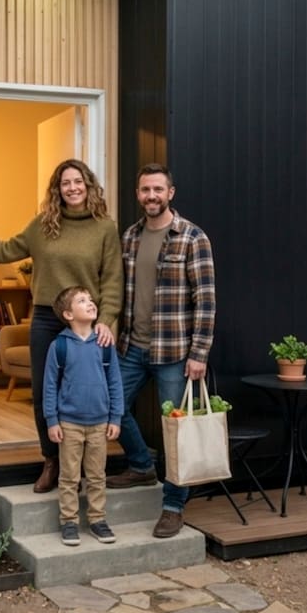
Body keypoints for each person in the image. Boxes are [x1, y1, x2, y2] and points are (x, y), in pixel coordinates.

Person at [0, 158, 123, 493]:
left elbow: (112, 280)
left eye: (78, 182)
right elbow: (5, 251)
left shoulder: (105, 228)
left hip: (85, 323)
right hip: (47, 318)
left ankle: (83, 466)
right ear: (57, 189)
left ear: (88, 186)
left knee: (81, 390)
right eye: (65, 183)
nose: (72, 188)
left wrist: (105, 320)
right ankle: (52, 462)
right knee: (44, 390)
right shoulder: (43, 225)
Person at [108, 163, 215, 538]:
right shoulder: (130, 237)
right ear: (137, 194)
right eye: (144, 190)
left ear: (170, 193)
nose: (150, 196)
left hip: (175, 352)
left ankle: (173, 505)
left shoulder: (192, 238)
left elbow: (206, 300)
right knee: (111, 406)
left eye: (157, 189)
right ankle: (141, 465)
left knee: (177, 433)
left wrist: (199, 352)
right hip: (132, 347)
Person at [43, 286, 123, 546]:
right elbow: (50, 386)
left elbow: (115, 383)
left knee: (97, 475)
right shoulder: (60, 347)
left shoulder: (105, 344)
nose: (90, 303)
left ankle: (98, 519)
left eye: (90, 299)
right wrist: (52, 421)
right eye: (81, 300)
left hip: (100, 423)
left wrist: (116, 417)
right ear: (68, 314)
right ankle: (69, 522)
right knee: (69, 476)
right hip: (70, 424)